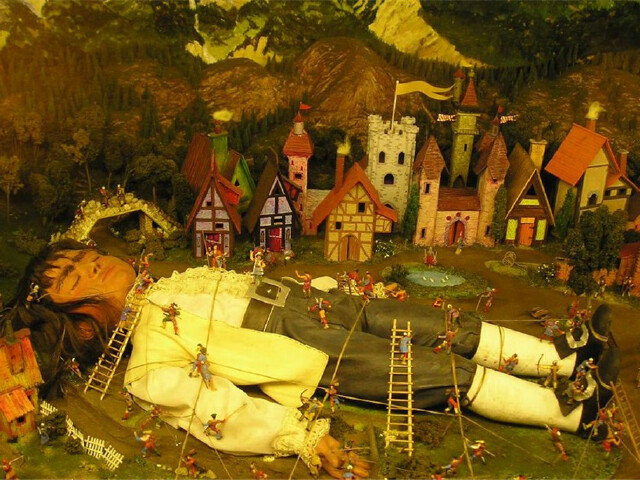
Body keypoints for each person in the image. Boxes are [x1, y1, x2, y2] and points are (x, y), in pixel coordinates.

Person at [2, 240, 621, 478]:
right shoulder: (146, 356)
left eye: (88, 256)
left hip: (308, 303)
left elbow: (244, 286)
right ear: (80, 317)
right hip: (307, 348)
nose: (96, 264)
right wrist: (299, 436)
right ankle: (574, 414)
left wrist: (325, 290)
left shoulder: (165, 283)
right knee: (434, 372)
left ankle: (567, 358)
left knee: (437, 323)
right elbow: (211, 405)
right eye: (79, 275)